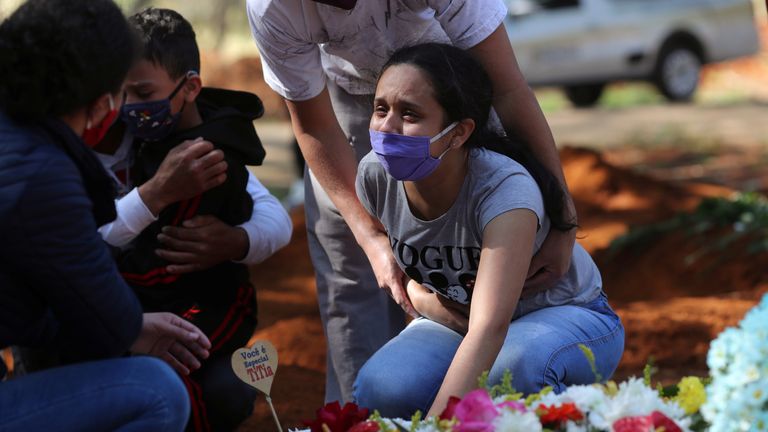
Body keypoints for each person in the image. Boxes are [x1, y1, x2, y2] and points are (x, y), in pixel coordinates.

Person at [247, 0, 578, 403]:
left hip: (449, 86)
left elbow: (507, 88)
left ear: (462, 134)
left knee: (510, 339)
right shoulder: (272, 9)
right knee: (351, 277)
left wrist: (562, 217)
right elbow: (315, 126)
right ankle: (362, 418)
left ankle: (504, 381)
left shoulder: (498, 182)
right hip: (349, 99)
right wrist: (370, 238)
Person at [352, 43, 625, 417]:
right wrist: (424, 299)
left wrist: (435, 427)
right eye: (381, 108)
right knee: (381, 389)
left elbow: (489, 327)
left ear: (458, 133)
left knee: (508, 372)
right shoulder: (374, 175)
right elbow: (417, 274)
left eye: (410, 114)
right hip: (462, 320)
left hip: (560, 313)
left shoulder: (504, 191)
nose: (387, 127)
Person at [0, 0, 211, 430]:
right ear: (100, 102)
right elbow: (104, 318)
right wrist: (132, 324)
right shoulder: (43, 173)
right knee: (157, 392)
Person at [115, 8, 282, 431]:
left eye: (141, 92)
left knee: (178, 371)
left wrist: (236, 241)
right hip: (138, 303)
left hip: (205, 305)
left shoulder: (208, 157)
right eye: (119, 93)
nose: (126, 107)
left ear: (190, 87)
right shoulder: (123, 134)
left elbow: (162, 256)